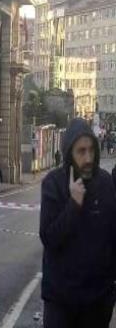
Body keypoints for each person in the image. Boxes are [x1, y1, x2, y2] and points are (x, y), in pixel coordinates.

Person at [40, 118, 116, 328]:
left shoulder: (105, 184)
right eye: (81, 151)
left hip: (97, 303)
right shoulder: (53, 185)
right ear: (69, 154)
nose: (88, 157)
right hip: (61, 302)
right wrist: (74, 204)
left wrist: (110, 292)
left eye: (91, 150)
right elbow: (49, 238)